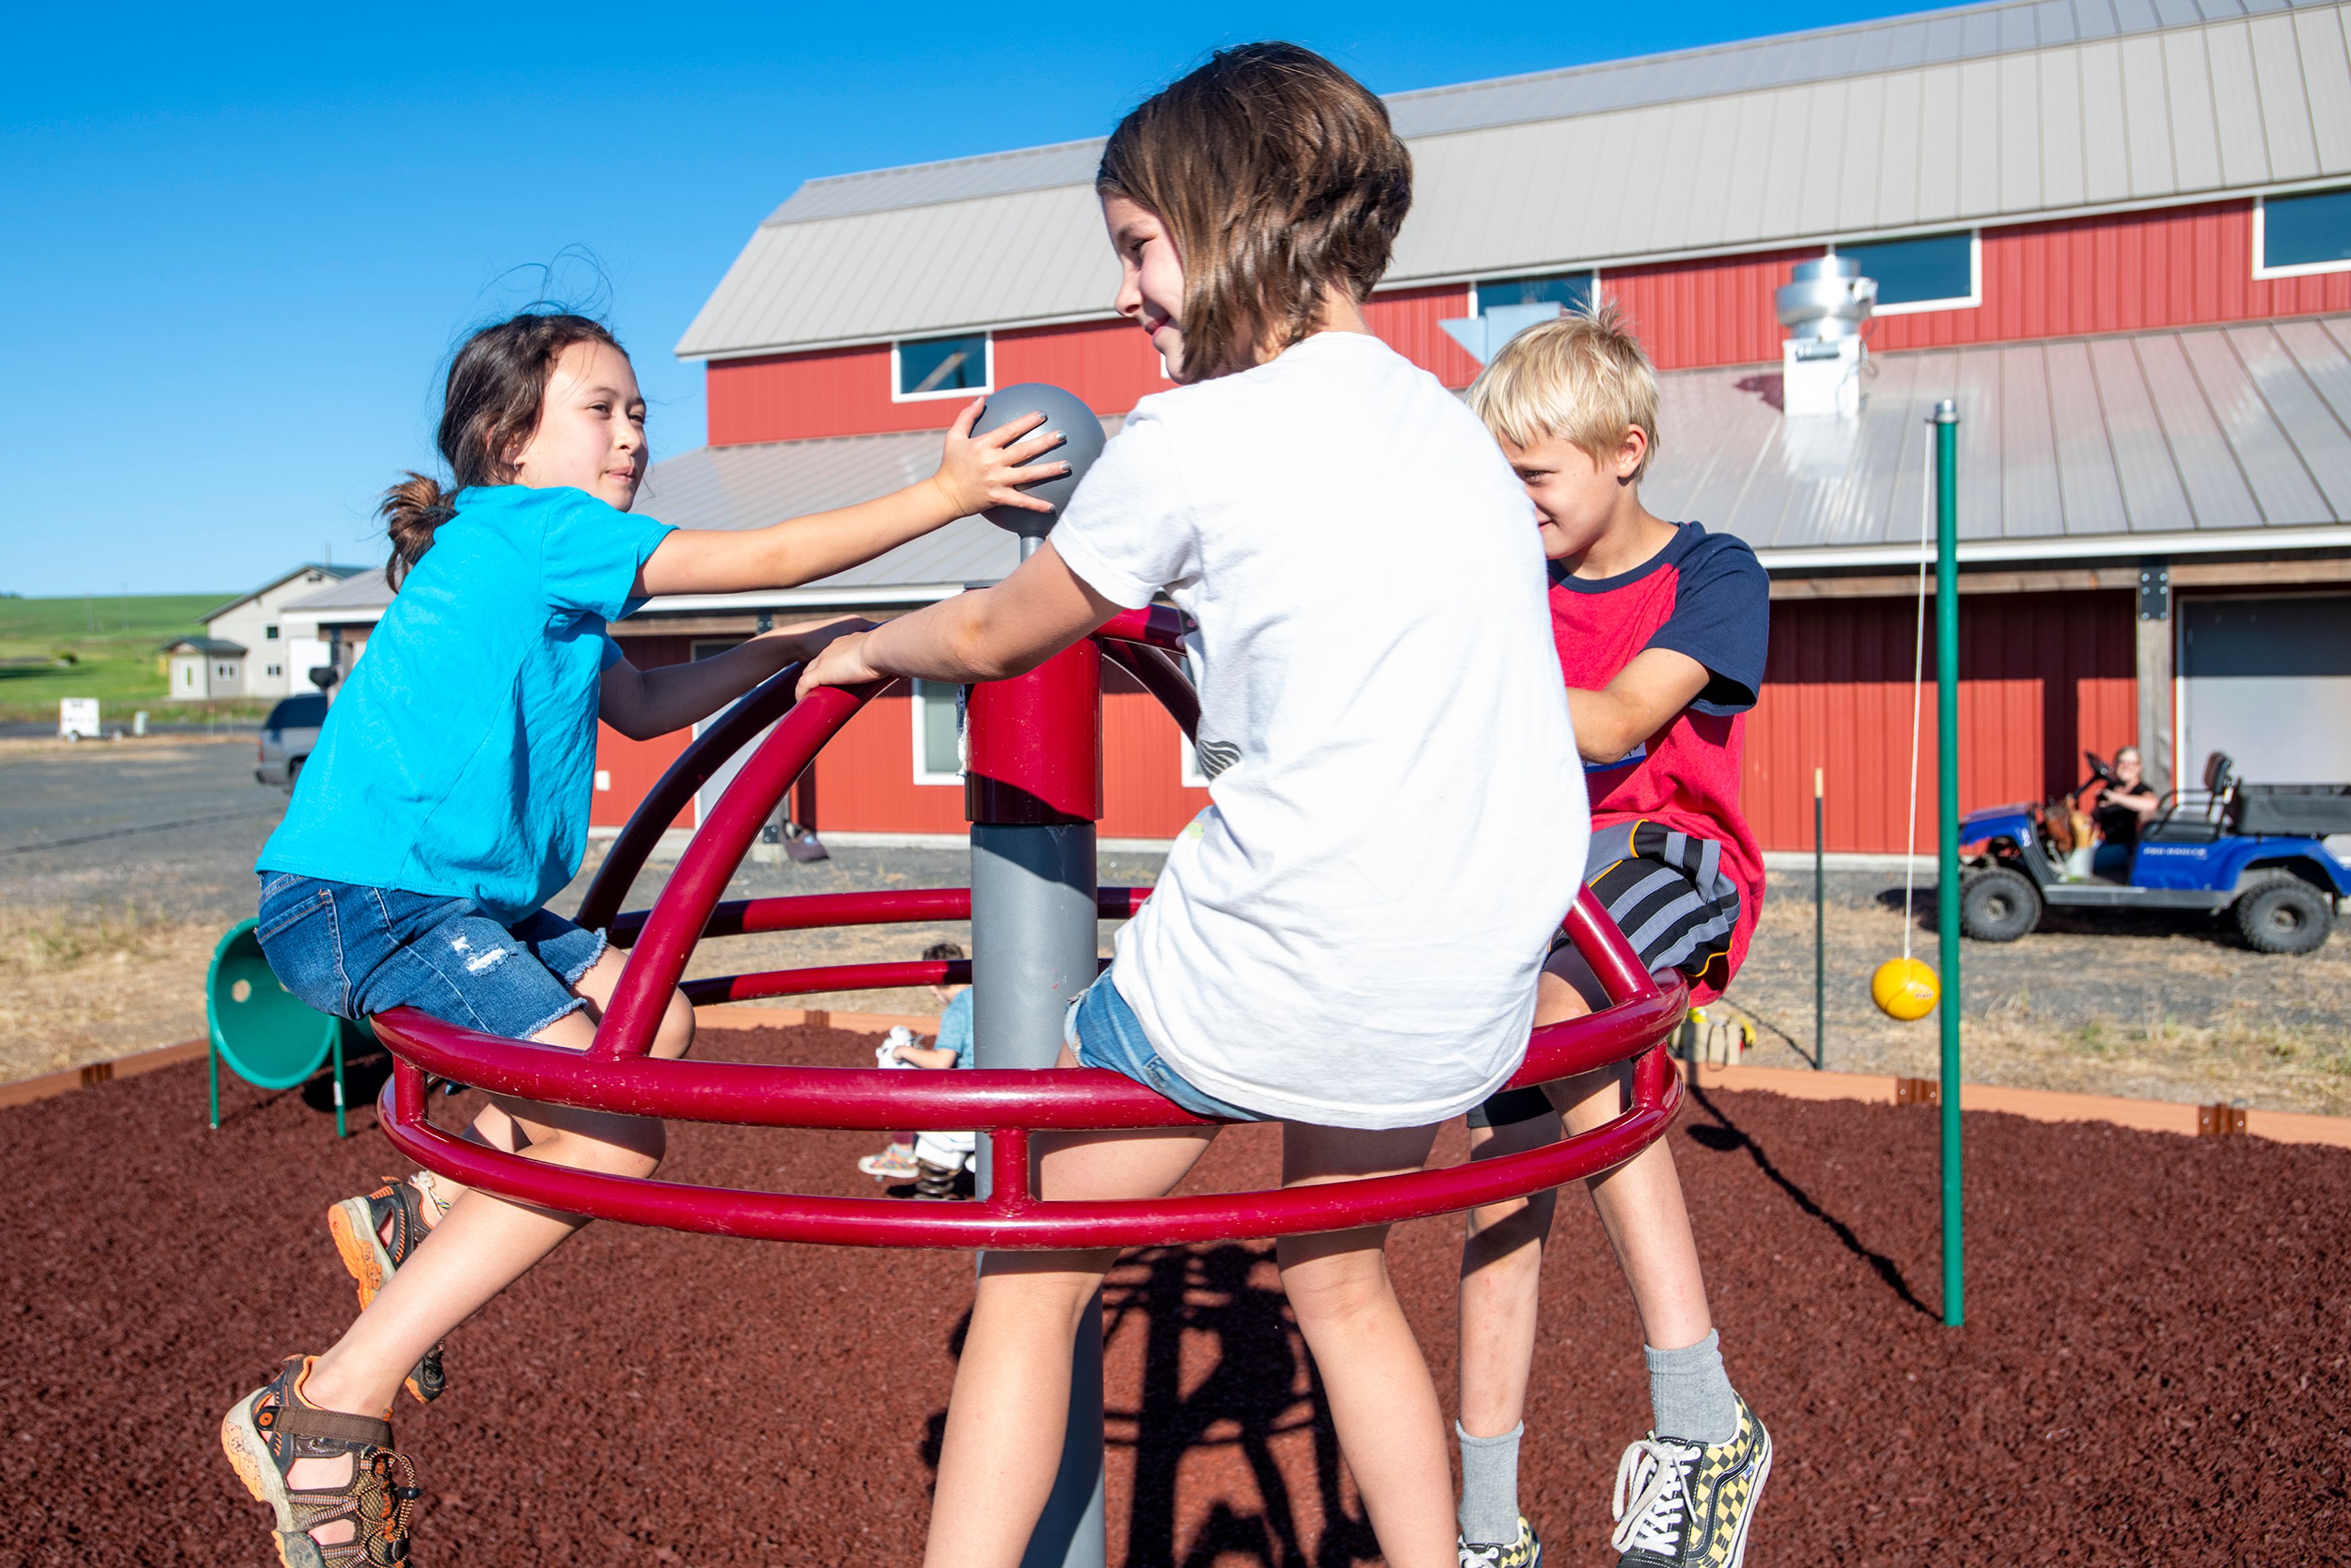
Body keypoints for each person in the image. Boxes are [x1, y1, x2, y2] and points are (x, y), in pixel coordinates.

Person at [795, 45, 1583, 1568]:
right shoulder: (1461, 445)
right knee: (1336, 1273)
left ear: (1235, 224)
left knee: (1031, 1260)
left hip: (1280, 952)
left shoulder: (1189, 438)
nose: (1125, 293)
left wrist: (860, 646)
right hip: (1462, 970)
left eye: (1138, 247)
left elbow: (995, 633)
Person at [220, 309, 1068, 1567]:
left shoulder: (533, 569)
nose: (631, 434)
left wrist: (790, 657)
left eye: (638, 412)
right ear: (509, 442)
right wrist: (946, 492)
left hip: (451, 902)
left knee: (648, 1016)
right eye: (600, 410)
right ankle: (327, 1407)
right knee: (612, 1136)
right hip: (372, 898)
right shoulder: (531, 528)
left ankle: (432, 1205)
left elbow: (641, 704)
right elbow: (770, 546)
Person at [1452, 307, 1772, 1568]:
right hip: (1538, 893)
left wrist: (1455, 672)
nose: (1514, 502)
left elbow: (1622, 716)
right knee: (1497, 1180)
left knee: (1556, 1026)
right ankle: (1487, 1527)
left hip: (1665, 860)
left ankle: (1705, 1421)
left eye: (1535, 476)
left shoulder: (1713, 571)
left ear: (1624, 448)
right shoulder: (1506, 582)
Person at [858, 941, 977, 1197]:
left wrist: (903, 1052)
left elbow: (941, 1062)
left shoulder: (959, 1007)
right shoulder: (982, 996)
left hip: (971, 1101)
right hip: (1003, 1088)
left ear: (933, 986)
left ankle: (904, 1153)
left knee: (897, 1068)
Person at [2090, 745, 2160, 878]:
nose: (2127, 766)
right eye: (2122, 762)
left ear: (2140, 768)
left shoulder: (2141, 790)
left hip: (2127, 849)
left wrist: (2116, 798)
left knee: (2085, 864)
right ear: (2115, 765)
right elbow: (2095, 818)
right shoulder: (2112, 788)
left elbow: (2152, 803)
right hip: (2108, 843)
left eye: (2132, 763)